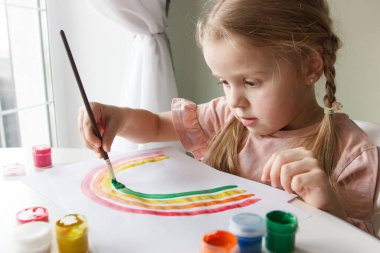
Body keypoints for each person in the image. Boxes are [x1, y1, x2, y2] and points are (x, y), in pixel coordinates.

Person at [79, 0, 379, 236]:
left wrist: (330, 206)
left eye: (250, 82)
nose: (234, 100)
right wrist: (118, 117)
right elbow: (157, 125)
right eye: (224, 81)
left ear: (310, 67)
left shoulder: (352, 153)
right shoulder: (226, 118)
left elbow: (360, 243)